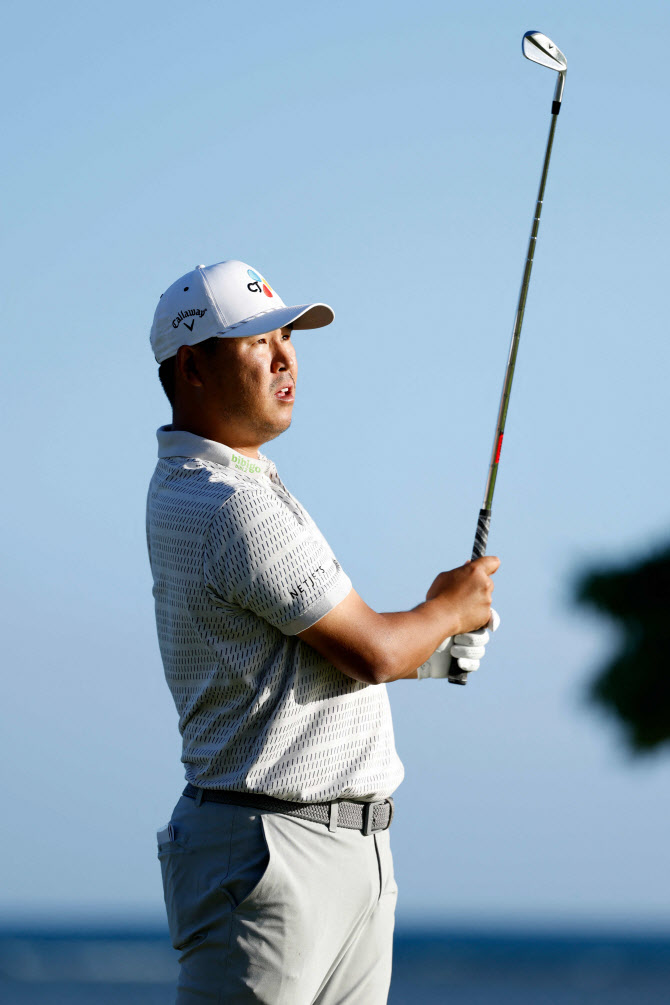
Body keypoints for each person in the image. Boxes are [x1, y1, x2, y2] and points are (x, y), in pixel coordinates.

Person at [147, 259, 500, 1005]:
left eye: (288, 337)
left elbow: (303, 660)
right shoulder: (226, 503)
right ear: (192, 368)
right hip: (271, 851)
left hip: (342, 851)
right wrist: (450, 608)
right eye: (257, 342)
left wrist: (431, 652)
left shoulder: (239, 484)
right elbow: (372, 650)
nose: (286, 358)